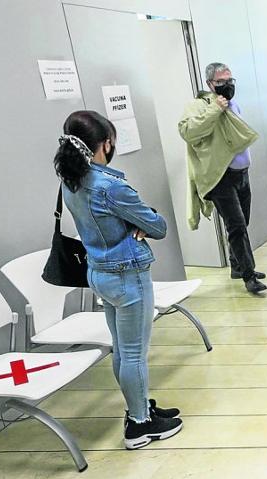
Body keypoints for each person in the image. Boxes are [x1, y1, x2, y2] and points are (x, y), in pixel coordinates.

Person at [54, 111, 183, 449]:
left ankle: (137, 407)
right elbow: (158, 226)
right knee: (134, 353)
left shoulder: (71, 181)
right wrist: (142, 222)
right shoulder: (110, 186)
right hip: (128, 277)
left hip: (99, 273)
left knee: (122, 351)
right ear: (105, 143)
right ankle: (140, 425)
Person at [179, 62, 266, 294]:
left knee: (242, 222)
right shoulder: (198, 105)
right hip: (220, 177)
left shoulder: (233, 104)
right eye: (221, 82)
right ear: (209, 84)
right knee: (236, 225)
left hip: (241, 174)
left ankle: (237, 266)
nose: (227, 86)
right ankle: (249, 276)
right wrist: (215, 108)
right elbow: (188, 132)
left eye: (230, 81)